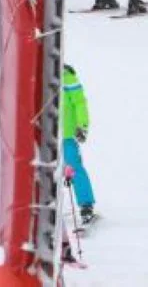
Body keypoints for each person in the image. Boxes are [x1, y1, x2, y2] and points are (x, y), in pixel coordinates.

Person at [62, 65, 96, 224]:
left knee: (73, 166)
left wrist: (82, 125)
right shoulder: (39, 76)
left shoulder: (67, 78)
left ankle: (86, 205)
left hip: (66, 134)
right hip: (44, 134)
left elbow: (79, 103)